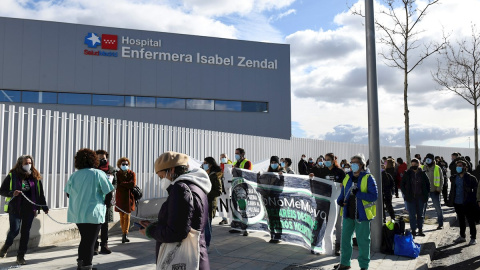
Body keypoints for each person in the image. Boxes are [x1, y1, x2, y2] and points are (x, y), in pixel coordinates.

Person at [140, 151, 211, 269]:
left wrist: (151, 231)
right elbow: (185, 219)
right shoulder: (196, 185)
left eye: (161, 176)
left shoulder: (180, 189)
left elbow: (176, 232)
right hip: (197, 255)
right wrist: (159, 224)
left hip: (183, 259)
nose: (162, 180)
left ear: (171, 170)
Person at [65, 148, 114, 270]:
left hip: (78, 213)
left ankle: (81, 263)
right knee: (90, 242)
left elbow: (68, 193)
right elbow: (109, 192)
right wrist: (106, 204)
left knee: (85, 239)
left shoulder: (74, 175)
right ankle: (87, 265)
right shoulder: (98, 173)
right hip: (94, 213)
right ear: (93, 160)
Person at [0, 155, 49, 265]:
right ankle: (6, 246)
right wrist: (12, 193)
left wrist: (44, 206)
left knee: (25, 233)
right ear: (20, 164)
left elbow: (40, 194)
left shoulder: (35, 177)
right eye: (26, 163)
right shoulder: (12, 176)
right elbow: (2, 190)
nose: (28, 165)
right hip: (15, 209)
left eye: (30, 163)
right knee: (15, 230)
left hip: (29, 209)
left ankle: (20, 256)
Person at [335, 153, 378, 270]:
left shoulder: (369, 178)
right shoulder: (347, 177)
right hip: (348, 213)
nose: (353, 165)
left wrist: (359, 193)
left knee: (363, 242)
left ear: (362, 165)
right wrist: (340, 201)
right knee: (345, 240)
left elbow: (374, 196)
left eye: (356, 163)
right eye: (351, 163)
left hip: (362, 215)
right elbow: (343, 191)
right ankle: (344, 263)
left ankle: (364, 266)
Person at [319, 153, 345, 256]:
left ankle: (338, 246)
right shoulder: (323, 171)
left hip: (337, 202)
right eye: (325, 159)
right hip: (325, 202)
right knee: (325, 224)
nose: (326, 161)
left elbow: (345, 185)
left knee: (338, 224)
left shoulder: (340, 172)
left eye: (328, 159)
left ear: (334, 160)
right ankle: (325, 244)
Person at [450, 160, 478, 245]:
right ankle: (462, 236)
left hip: (468, 202)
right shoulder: (454, 178)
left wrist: (474, 201)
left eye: (460, 166)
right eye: (457, 166)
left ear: (465, 167)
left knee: (470, 221)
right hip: (457, 202)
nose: (458, 167)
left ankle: (473, 238)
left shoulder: (471, 178)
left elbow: (476, 191)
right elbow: (452, 190)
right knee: (461, 220)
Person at [94, 150, 117, 255]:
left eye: (103, 158)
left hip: (107, 199)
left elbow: (116, 182)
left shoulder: (111, 169)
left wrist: (111, 187)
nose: (101, 160)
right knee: (95, 223)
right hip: (96, 199)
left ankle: (104, 244)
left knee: (105, 223)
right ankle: (94, 245)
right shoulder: (93, 169)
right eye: (99, 158)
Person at [401, 159, 430, 238]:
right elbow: (402, 184)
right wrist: (406, 194)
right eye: (412, 164)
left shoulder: (423, 174)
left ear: (419, 164)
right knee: (412, 215)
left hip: (420, 197)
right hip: (411, 198)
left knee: (420, 215)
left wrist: (426, 194)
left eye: (415, 164)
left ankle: (420, 230)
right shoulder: (407, 173)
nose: (414, 165)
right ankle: (413, 230)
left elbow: (427, 185)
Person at [115, 157, 136, 244]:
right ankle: (124, 233)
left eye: (127, 164)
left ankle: (125, 234)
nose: (125, 166)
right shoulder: (117, 174)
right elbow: (117, 185)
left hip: (129, 198)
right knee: (121, 216)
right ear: (120, 165)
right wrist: (127, 185)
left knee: (127, 216)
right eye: (123, 164)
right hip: (120, 197)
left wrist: (123, 184)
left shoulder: (132, 173)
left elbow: (133, 184)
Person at [203, 157, 222, 249]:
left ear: (210, 164)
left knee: (207, 225)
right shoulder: (203, 174)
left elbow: (218, 191)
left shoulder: (214, 176)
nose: (204, 164)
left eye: (206, 163)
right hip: (202, 203)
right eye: (204, 162)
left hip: (210, 204)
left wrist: (206, 192)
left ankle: (207, 245)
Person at [421, 153, 444, 230]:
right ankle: (420, 225)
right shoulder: (422, 167)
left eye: (429, 159)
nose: (428, 160)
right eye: (427, 158)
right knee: (422, 209)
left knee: (437, 207)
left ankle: (440, 223)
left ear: (433, 160)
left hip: (434, 191)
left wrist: (439, 189)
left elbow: (441, 179)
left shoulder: (437, 168)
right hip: (424, 191)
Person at [218, 153, 232, 225]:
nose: (223, 158)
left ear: (227, 157)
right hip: (221, 188)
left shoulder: (231, 166)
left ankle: (232, 220)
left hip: (229, 188)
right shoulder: (218, 167)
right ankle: (224, 219)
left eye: (225, 157)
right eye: (222, 157)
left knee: (230, 203)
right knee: (221, 203)